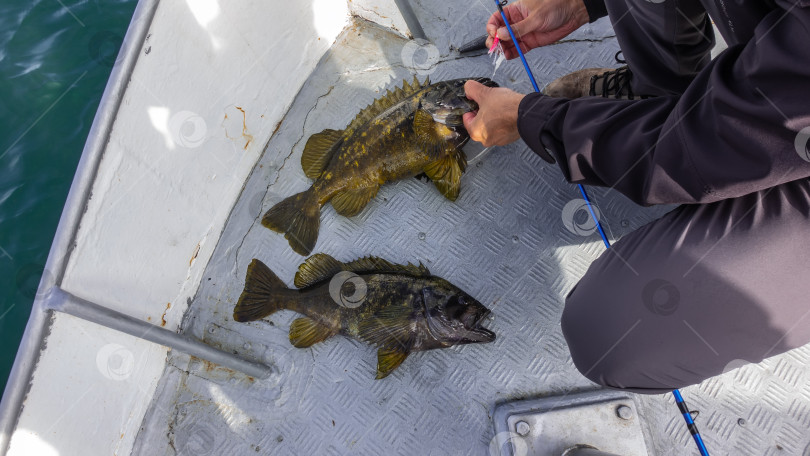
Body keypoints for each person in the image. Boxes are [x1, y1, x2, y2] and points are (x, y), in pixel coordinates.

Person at [463, 0, 810, 394]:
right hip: (786, 78)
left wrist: (535, 120)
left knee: (611, 331)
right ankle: (660, 98)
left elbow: (692, 150)